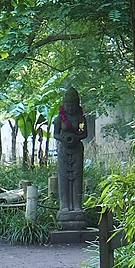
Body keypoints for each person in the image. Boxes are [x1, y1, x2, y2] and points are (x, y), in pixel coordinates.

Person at [53, 86, 90, 230]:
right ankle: (65, 205)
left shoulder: (81, 119)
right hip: (63, 150)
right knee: (63, 178)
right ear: (64, 105)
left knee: (77, 178)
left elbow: (84, 133)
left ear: (77, 104)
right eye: (67, 105)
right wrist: (63, 138)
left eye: (73, 105)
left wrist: (76, 138)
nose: (70, 108)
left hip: (76, 150)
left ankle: (77, 205)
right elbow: (55, 134)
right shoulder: (59, 119)